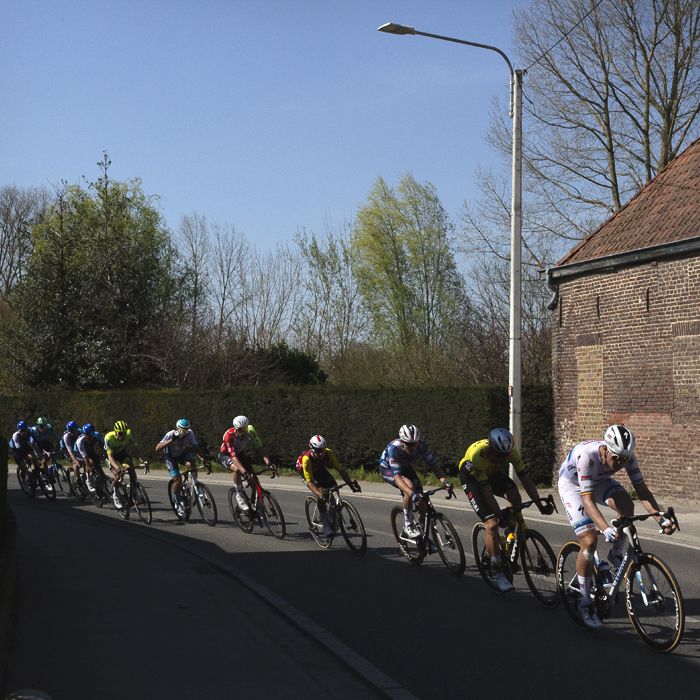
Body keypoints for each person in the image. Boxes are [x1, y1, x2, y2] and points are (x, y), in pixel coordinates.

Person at [558, 425, 676, 628]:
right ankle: (586, 603)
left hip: (599, 481)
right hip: (573, 486)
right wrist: (605, 528)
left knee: (627, 505)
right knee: (589, 540)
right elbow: (588, 502)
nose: (620, 464)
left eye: (625, 459)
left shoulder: (627, 457)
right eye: (617, 459)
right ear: (605, 449)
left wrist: (660, 519)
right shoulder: (587, 456)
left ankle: (615, 554)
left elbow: (642, 491)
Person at [459, 428, 553, 593]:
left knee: (516, 498)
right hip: (473, 479)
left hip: (493, 474)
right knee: (493, 525)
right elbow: (487, 495)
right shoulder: (478, 456)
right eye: (501, 455)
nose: (504, 459)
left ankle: (508, 540)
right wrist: (499, 515)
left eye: (507, 455)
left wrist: (540, 505)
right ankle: (499, 573)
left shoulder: (511, 453)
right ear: (491, 449)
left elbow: (526, 480)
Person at [379, 425, 453, 540]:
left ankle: (422, 535)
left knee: (422, 499)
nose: (413, 447)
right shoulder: (394, 448)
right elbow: (398, 477)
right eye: (409, 444)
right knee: (410, 487)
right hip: (388, 469)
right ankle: (408, 526)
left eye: (415, 444)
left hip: (405, 467)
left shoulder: (421, 445)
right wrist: (410, 493)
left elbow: (434, 466)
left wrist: (445, 482)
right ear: (402, 442)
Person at [296, 435, 361, 536]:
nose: (321, 453)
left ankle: (331, 511)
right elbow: (310, 482)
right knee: (321, 494)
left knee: (334, 488)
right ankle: (325, 524)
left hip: (319, 470)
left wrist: (351, 484)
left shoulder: (328, 453)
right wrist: (320, 495)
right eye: (318, 451)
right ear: (312, 450)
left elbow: (341, 470)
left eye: (322, 450)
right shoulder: (307, 459)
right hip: (306, 473)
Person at [218, 416, 276, 512]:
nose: (243, 432)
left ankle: (253, 500)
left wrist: (269, 463)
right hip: (226, 455)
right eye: (240, 430)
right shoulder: (228, 435)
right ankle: (239, 494)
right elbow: (234, 457)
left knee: (254, 480)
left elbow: (260, 447)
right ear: (235, 429)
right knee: (237, 469)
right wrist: (244, 472)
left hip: (240, 454)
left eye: (245, 429)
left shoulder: (251, 430)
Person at [156, 419, 205, 517]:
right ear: (176, 429)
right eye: (182, 431)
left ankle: (195, 484)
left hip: (181, 454)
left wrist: (204, 460)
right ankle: (177, 504)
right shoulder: (170, 434)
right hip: (170, 457)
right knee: (177, 482)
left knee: (192, 463)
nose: (185, 434)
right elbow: (157, 448)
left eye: (186, 431)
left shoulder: (190, 434)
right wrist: (171, 440)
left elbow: (197, 448)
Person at [104, 421, 149, 509]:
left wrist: (144, 460)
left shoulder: (129, 434)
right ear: (115, 432)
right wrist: (117, 468)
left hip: (121, 453)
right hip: (110, 455)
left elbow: (137, 449)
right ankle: (116, 495)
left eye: (124, 433)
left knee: (131, 468)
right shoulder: (109, 437)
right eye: (120, 433)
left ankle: (136, 493)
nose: (123, 436)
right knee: (118, 475)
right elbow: (110, 456)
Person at [74, 424, 106, 492]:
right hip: (78, 452)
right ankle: (88, 481)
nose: (90, 437)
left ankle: (104, 487)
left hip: (89, 450)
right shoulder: (80, 441)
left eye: (92, 435)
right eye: (88, 436)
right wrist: (90, 470)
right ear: (84, 434)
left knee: (99, 468)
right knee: (90, 463)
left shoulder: (96, 435)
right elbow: (85, 457)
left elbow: (104, 447)